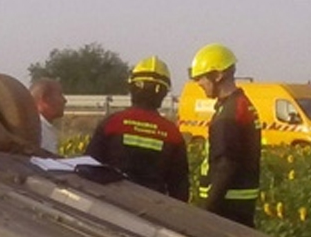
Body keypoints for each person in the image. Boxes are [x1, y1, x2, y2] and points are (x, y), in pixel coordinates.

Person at [84, 56, 189, 201]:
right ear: (163, 93)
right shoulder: (172, 134)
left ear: (132, 88)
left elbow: (88, 168)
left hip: (111, 203)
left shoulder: (112, 124)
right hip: (154, 209)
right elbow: (179, 188)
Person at [189, 43, 261, 226]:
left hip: (227, 208)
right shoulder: (238, 104)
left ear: (218, 75)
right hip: (237, 205)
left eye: (201, 78)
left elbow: (226, 164)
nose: (198, 84)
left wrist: (207, 209)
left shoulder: (229, 113)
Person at [29, 78, 66, 153]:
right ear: (45, 99)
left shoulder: (43, 127)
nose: (64, 100)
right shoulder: (37, 130)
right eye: (60, 95)